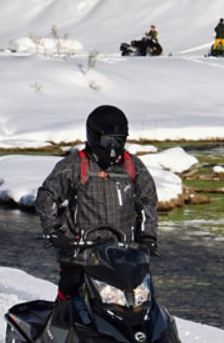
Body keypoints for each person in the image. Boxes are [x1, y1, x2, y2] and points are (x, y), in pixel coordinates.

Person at [34, 105, 159, 304]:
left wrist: (148, 237)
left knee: (142, 300)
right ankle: (57, 328)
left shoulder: (133, 166)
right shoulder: (75, 165)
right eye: (107, 140)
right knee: (71, 297)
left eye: (118, 140)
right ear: (94, 136)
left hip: (124, 254)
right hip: (80, 253)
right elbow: (47, 196)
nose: (113, 145)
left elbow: (148, 203)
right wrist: (54, 231)